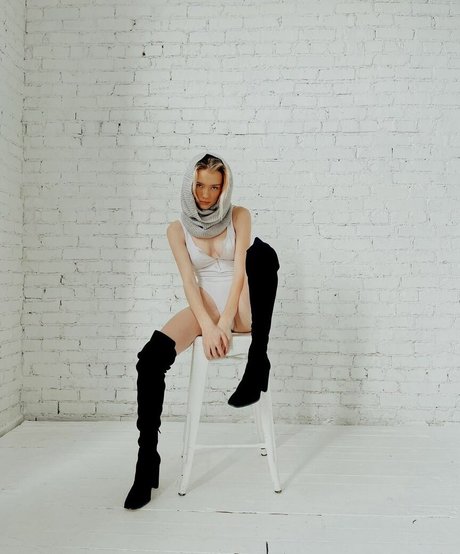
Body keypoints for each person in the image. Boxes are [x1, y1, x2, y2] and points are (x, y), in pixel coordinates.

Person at [124, 151, 280, 510]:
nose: (206, 195)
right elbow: (189, 282)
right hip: (206, 304)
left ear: (224, 187)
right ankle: (147, 459)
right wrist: (207, 325)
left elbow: (239, 273)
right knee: (150, 359)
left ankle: (258, 360)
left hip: (241, 307)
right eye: (199, 186)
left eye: (214, 187)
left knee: (262, 254)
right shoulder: (176, 230)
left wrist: (225, 322)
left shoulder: (239, 215)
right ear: (188, 185)